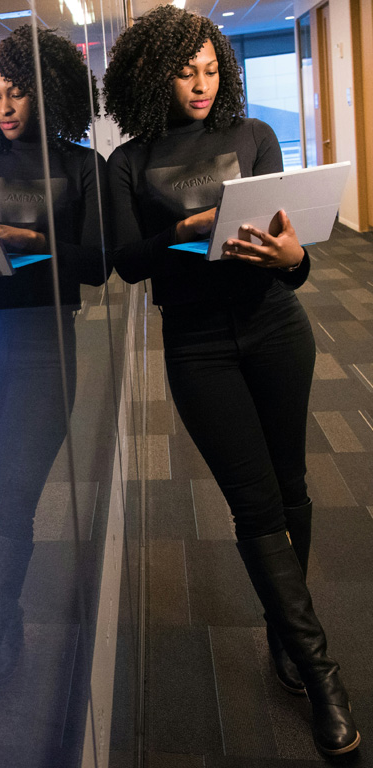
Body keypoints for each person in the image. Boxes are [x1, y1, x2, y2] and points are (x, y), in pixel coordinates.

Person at [103, 5, 359, 756]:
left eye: (213, 69)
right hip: (197, 345)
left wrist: (295, 260)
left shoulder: (255, 137)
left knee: (292, 486)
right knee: (254, 506)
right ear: (155, 74)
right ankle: (322, 677)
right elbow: (125, 259)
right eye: (187, 71)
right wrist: (181, 232)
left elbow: (293, 249)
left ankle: (286, 631)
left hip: (276, 326)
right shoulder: (130, 162)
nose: (203, 84)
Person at [0, 24, 108, 740]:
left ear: (48, 89)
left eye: (18, 92)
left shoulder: (80, 165)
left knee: (10, 504)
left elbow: (98, 266)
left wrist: (33, 242)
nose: (5, 106)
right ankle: (8, 635)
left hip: (45, 352)